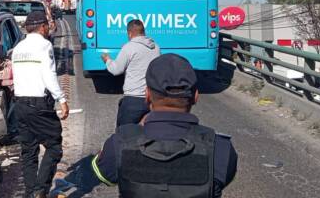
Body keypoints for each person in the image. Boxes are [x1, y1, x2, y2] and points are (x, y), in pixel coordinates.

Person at [92, 54, 238, 197]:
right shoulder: (221, 148)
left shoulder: (120, 141)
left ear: (147, 95)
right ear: (195, 97)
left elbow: (103, 174)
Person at [12, 10, 70, 198]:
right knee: (54, 146)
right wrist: (61, 99)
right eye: (47, 26)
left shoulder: (18, 48)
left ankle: (30, 193)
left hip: (20, 104)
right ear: (43, 27)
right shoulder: (45, 46)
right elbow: (49, 75)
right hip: (39, 105)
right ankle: (40, 190)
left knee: (29, 151)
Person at [101, 19, 160, 127]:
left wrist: (107, 60)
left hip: (133, 100)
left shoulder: (129, 47)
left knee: (124, 135)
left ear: (129, 33)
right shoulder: (156, 47)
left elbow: (116, 70)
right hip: (152, 99)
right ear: (143, 32)